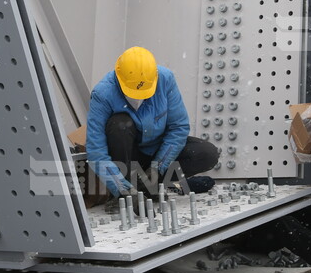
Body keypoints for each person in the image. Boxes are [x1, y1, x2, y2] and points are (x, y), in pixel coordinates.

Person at [87, 46, 218, 199]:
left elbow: (179, 127)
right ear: (119, 76)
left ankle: (153, 185)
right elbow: (96, 151)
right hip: (128, 158)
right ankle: (132, 187)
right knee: (120, 125)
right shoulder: (103, 94)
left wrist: (158, 167)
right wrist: (121, 189)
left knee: (207, 154)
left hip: (158, 152)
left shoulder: (165, 79)